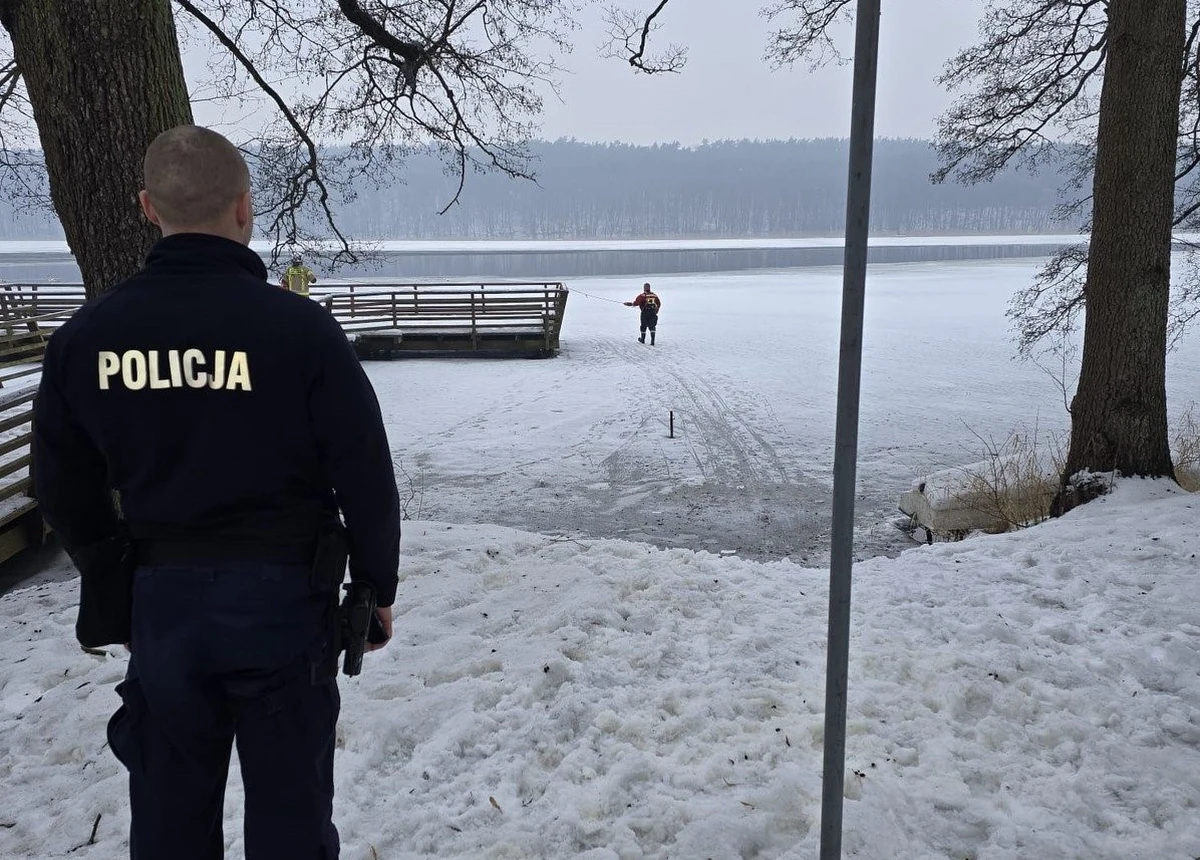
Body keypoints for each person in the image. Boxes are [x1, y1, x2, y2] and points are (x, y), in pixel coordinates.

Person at [32, 125, 401, 860]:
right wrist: (376, 586)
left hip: (162, 603)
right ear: (243, 207)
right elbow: (364, 469)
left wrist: (113, 577)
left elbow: (60, 484)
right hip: (283, 602)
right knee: (292, 817)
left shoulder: (89, 337)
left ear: (148, 207)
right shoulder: (301, 331)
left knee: (169, 815)